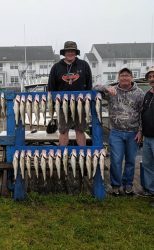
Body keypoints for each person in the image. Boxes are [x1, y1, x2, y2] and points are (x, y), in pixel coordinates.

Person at [94, 68, 144, 196]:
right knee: (116, 160)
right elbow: (95, 87)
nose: (124, 78)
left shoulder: (139, 93)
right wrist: (107, 88)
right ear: (118, 78)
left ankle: (128, 185)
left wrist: (140, 131)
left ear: (132, 78)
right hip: (115, 132)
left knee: (131, 161)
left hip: (133, 133)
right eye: (122, 76)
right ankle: (115, 185)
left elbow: (143, 114)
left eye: (127, 76)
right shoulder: (112, 90)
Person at [48, 41, 92, 146]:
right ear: (64, 52)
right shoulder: (56, 67)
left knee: (80, 130)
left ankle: (83, 155)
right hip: (62, 105)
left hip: (81, 104)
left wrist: (88, 102)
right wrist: (53, 105)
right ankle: (62, 155)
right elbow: (51, 87)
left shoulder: (84, 65)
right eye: (68, 51)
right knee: (63, 131)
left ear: (76, 52)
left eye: (72, 51)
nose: (70, 53)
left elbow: (89, 84)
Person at [140, 66, 154, 200]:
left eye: (153, 76)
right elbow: (142, 114)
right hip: (147, 136)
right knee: (148, 165)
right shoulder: (147, 94)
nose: (152, 79)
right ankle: (150, 190)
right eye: (150, 77)